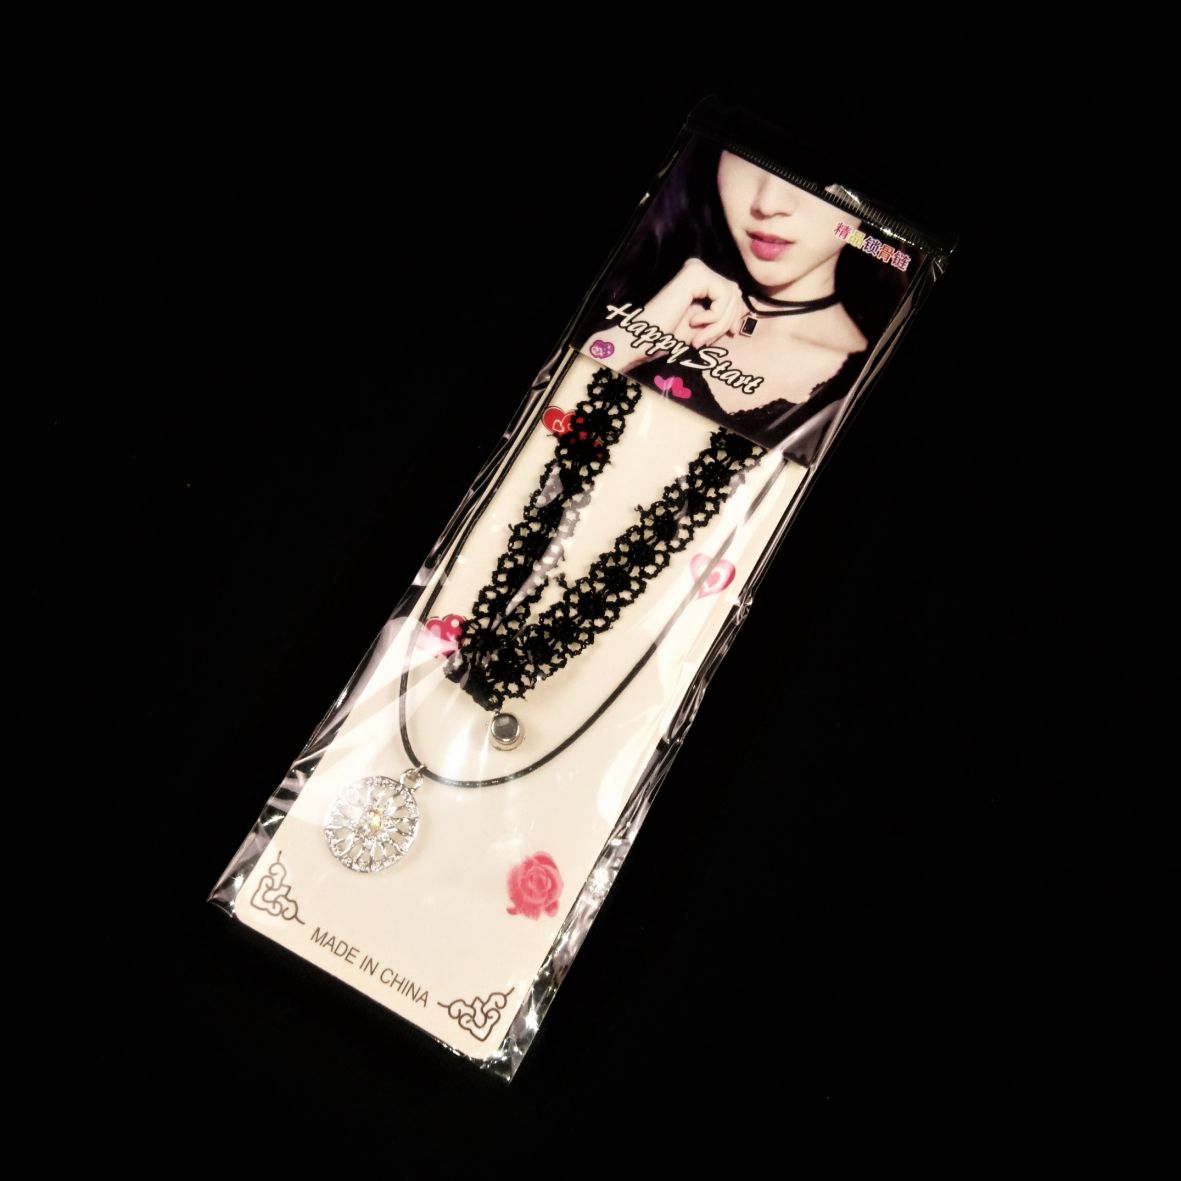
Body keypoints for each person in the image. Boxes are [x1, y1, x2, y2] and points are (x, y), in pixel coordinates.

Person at [580, 142, 906, 463]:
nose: (768, 203)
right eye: (750, 155)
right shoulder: (645, 278)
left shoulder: (866, 388)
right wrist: (628, 343)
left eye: (819, 178)